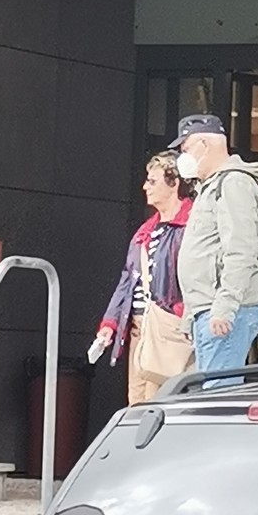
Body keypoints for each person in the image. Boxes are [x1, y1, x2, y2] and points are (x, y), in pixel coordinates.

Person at [172, 113, 258, 385]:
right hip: (211, 307)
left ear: (204, 145)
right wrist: (192, 315)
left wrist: (224, 307)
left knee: (217, 394)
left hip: (226, 308)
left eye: (186, 148)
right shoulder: (212, 186)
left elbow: (241, 250)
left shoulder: (233, 183)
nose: (183, 157)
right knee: (212, 391)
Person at [93, 151, 194, 404]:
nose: (145, 187)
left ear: (174, 184)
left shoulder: (191, 224)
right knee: (137, 402)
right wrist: (109, 324)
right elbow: (128, 279)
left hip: (168, 328)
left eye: (152, 181)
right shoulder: (146, 230)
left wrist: (183, 314)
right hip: (141, 326)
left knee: (158, 402)